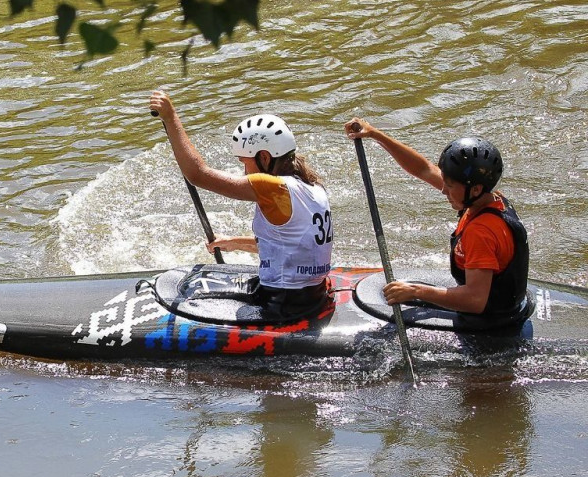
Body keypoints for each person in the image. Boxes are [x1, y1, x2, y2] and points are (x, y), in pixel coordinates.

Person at [148, 90, 333, 312]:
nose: (244, 171)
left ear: (264, 157)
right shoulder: (313, 187)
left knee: (190, 294)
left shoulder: (272, 187)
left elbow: (197, 175)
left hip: (282, 302)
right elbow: (289, 245)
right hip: (313, 294)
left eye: (245, 162)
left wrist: (170, 118)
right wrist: (233, 242)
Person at [344, 117, 529, 319]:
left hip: (491, 318)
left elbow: (475, 300)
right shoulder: (488, 198)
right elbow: (424, 169)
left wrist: (416, 291)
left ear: (475, 189)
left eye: (449, 185)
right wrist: (374, 134)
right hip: (503, 300)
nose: (443, 190)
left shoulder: (481, 232)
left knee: (411, 292)